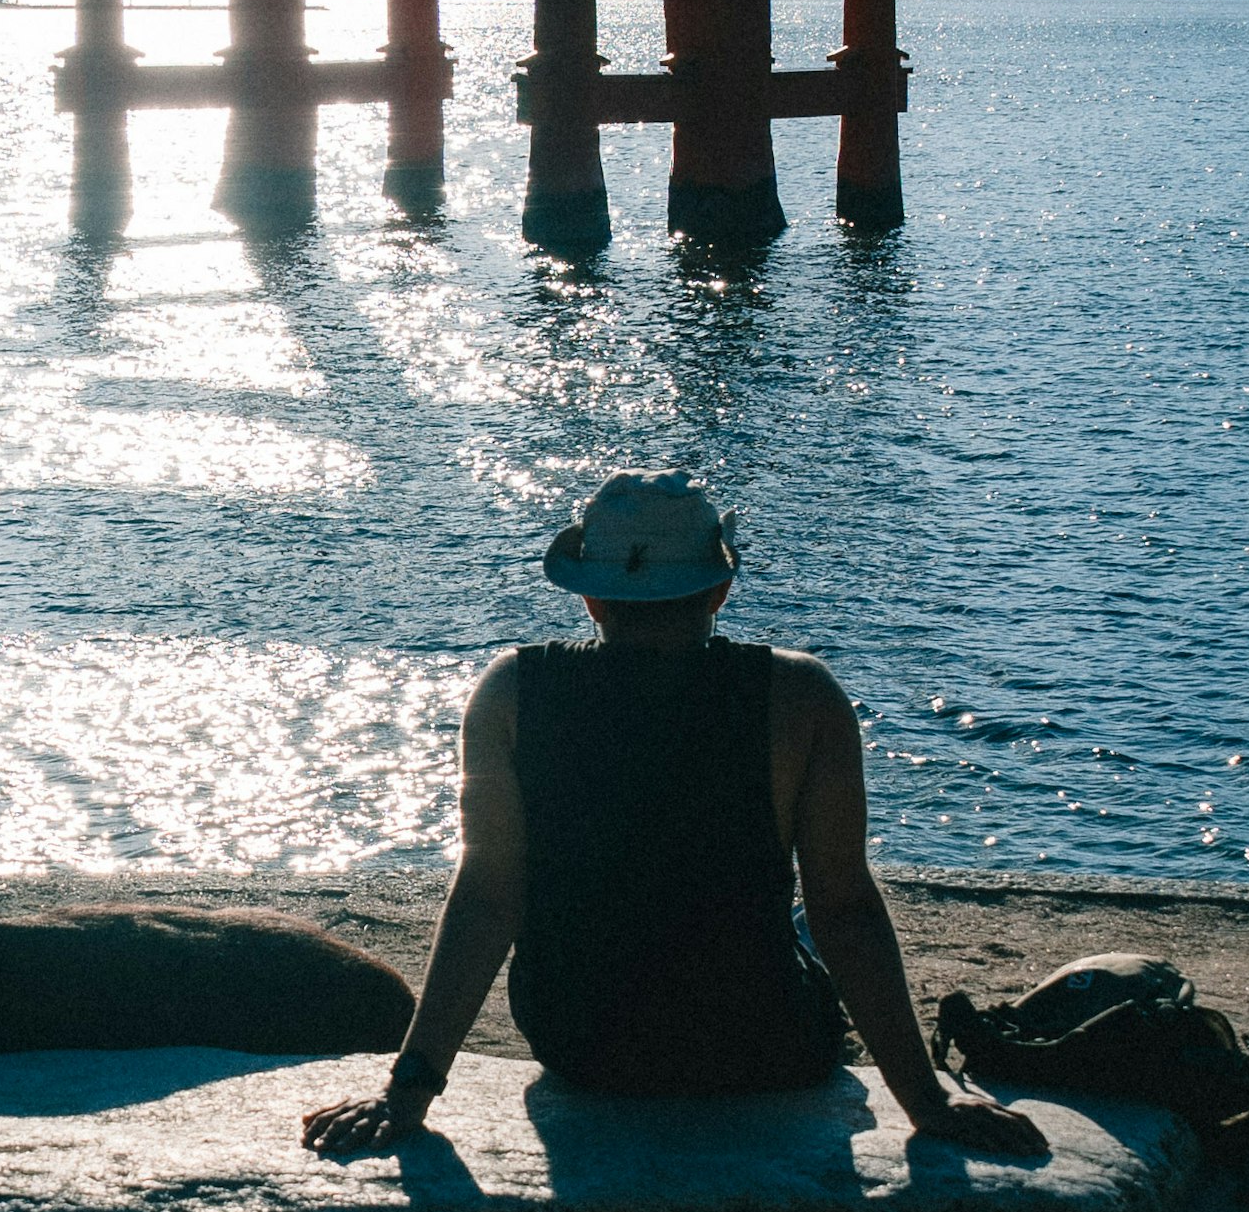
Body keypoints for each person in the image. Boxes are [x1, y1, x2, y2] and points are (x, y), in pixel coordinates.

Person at [303, 475, 1049, 1161]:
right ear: (719, 588)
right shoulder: (801, 696)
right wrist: (926, 1097)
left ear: (589, 597)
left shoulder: (510, 692)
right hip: (760, 1045)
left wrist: (409, 1089)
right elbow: (844, 908)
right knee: (788, 918)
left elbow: (488, 899)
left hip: (584, 1043)